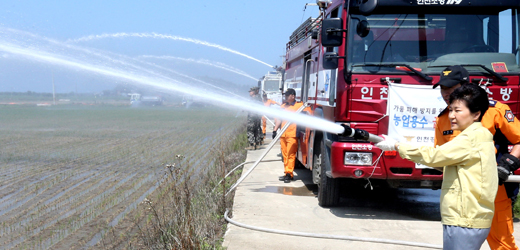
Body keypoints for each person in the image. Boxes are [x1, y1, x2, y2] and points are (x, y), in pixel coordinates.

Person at [376, 84, 497, 250]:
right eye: (450, 110)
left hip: (465, 219)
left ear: (476, 114)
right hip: (469, 217)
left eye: (458, 110)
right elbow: (443, 162)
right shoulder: (479, 135)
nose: (451, 116)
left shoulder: (470, 138)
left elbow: (434, 156)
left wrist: (397, 146)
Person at [433, 65, 520, 250]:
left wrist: (507, 165)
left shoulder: (494, 111)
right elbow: (439, 157)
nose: (446, 93)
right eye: (443, 89)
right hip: (460, 197)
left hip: (494, 189)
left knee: (502, 243)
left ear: (465, 87)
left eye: (451, 88)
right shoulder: (442, 120)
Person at [273, 88, 308, 183]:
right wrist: (275, 130)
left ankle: (289, 173)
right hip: (283, 134)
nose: (285, 97)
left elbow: (309, 112)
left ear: (293, 96)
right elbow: (279, 119)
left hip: (292, 134)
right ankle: (286, 173)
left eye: (287, 95)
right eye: (285, 95)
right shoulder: (283, 106)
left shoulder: (299, 106)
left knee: (290, 154)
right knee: (285, 155)